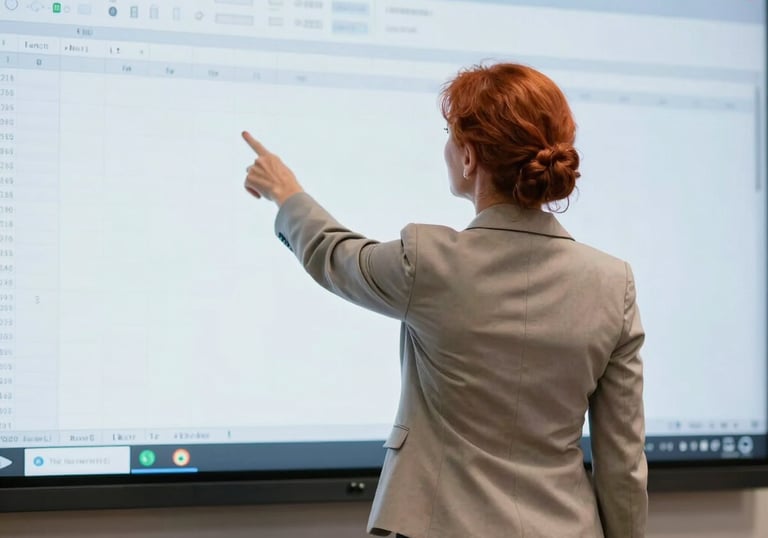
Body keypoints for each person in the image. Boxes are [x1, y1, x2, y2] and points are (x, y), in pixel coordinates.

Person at [241, 63, 647, 538]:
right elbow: (623, 462)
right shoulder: (612, 283)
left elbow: (333, 255)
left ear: (469, 157)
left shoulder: (428, 262)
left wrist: (286, 192)